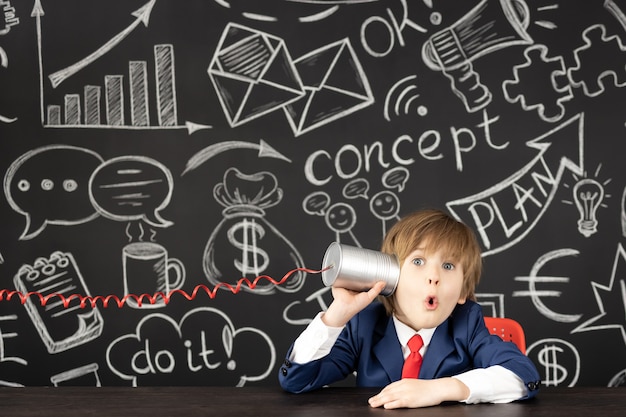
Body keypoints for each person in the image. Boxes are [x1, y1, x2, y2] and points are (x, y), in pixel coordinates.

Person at [278, 208, 541, 409]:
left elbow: (524, 375)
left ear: (462, 292)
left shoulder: (467, 324)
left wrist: (440, 389)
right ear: (391, 275)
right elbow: (296, 380)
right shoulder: (364, 324)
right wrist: (337, 314)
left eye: (448, 266)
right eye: (418, 261)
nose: (433, 277)